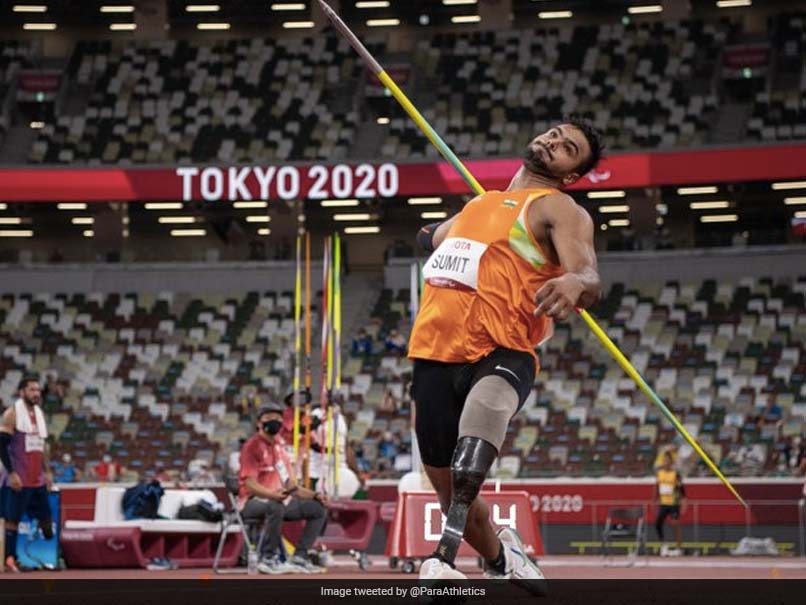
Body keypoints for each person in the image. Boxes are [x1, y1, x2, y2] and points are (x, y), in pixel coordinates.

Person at [409, 117, 604, 586]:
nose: (556, 142)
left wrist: (575, 282)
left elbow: (590, 275)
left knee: (475, 440)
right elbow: (426, 242)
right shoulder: (480, 204)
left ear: (571, 174)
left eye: (569, 148)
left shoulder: (560, 208)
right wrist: (441, 229)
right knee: (449, 485)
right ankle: (501, 556)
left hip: (503, 349)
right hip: (434, 352)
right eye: (556, 134)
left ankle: (442, 559)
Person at [238, 403, 328, 574]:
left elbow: (291, 486)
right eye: (269, 418)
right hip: (252, 503)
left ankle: (300, 556)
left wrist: (315, 495)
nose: (274, 421)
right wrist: (272, 495)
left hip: (278, 501)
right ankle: (268, 558)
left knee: (317, 508)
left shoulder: (279, 448)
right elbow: (249, 483)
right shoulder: (252, 446)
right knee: (275, 506)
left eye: (278, 418)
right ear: (259, 423)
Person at [0, 378, 54, 572]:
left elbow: (41, 446)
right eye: (32, 390)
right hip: (18, 478)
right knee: (12, 521)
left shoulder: (39, 414)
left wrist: (47, 470)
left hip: (37, 478)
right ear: (22, 392)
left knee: (47, 524)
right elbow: (1, 446)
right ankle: (10, 560)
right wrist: (11, 473)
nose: (36, 393)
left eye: (38, 390)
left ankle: (46, 554)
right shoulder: (11, 414)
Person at [655, 451, 686, 556]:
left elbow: (682, 491)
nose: (665, 462)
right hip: (663, 503)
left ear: (671, 462)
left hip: (674, 503)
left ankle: (679, 547)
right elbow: (656, 487)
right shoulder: (659, 473)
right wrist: (654, 501)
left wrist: (684, 503)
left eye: (667, 460)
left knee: (675, 524)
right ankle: (664, 545)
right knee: (658, 524)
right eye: (664, 460)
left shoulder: (675, 474)